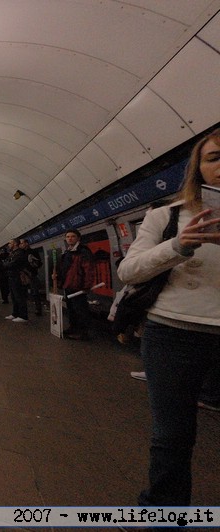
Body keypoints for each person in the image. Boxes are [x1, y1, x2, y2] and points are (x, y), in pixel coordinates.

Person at [117, 127, 220, 506]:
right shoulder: (167, 217)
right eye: (214, 158)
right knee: (173, 435)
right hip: (173, 335)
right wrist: (179, 246)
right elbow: (128, 272)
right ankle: (164, 513)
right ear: (198, 168)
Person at [52, 229, 94, 340]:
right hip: (68, 285)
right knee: (71, 309)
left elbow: (88, 269)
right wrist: (57, 277)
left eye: (73, 236)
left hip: (78, 286)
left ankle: (82, 332)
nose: (70, 238)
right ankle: (73, 328)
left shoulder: (83, 251)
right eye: (68, 237)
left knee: (80, 309)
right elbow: (64, 269)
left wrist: (86, 286)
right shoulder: (67, 252)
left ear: (78, 238)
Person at [3, 238, 29, 322]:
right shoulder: (12, 253)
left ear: (15, 244)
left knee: (19, 296)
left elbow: (11, 264)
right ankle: (15, 313)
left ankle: (23, 316)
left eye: (10, 243)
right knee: (14, 297)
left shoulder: (20, 253)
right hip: (11, 277)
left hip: (17, 277)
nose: (8, 245)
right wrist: (6, 264)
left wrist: (6, 264)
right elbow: (6, 263)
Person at [19, 239, 43, 316]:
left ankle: (38, 308)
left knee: (35, 292)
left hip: (31, 274)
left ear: (27, 243)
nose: (21, 245)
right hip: (23, 275)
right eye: (20, 244)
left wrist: (33, 262)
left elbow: (39, 263)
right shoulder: (21, 253)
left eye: (22, 243)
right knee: (23, 292)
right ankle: (24, 308)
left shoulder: (33, 252)